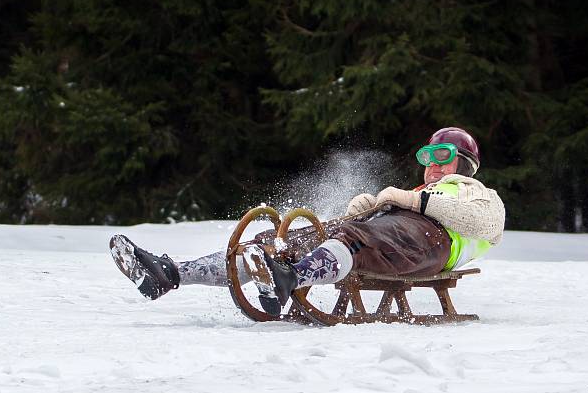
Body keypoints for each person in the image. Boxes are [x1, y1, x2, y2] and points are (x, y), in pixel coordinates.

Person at [110, 126, 505, 315]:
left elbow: (487, 225)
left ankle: (289, 278)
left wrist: (410, 203)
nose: (432, 167)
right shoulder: (414, 196)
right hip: (389, 234)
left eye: (442, 158)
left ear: (465, 165)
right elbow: (380, 222)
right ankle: (172, 274)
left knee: (354, 237)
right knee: (281, 238)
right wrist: (368, 207)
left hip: (432, 244)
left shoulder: (477, 193)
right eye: (427, 158)